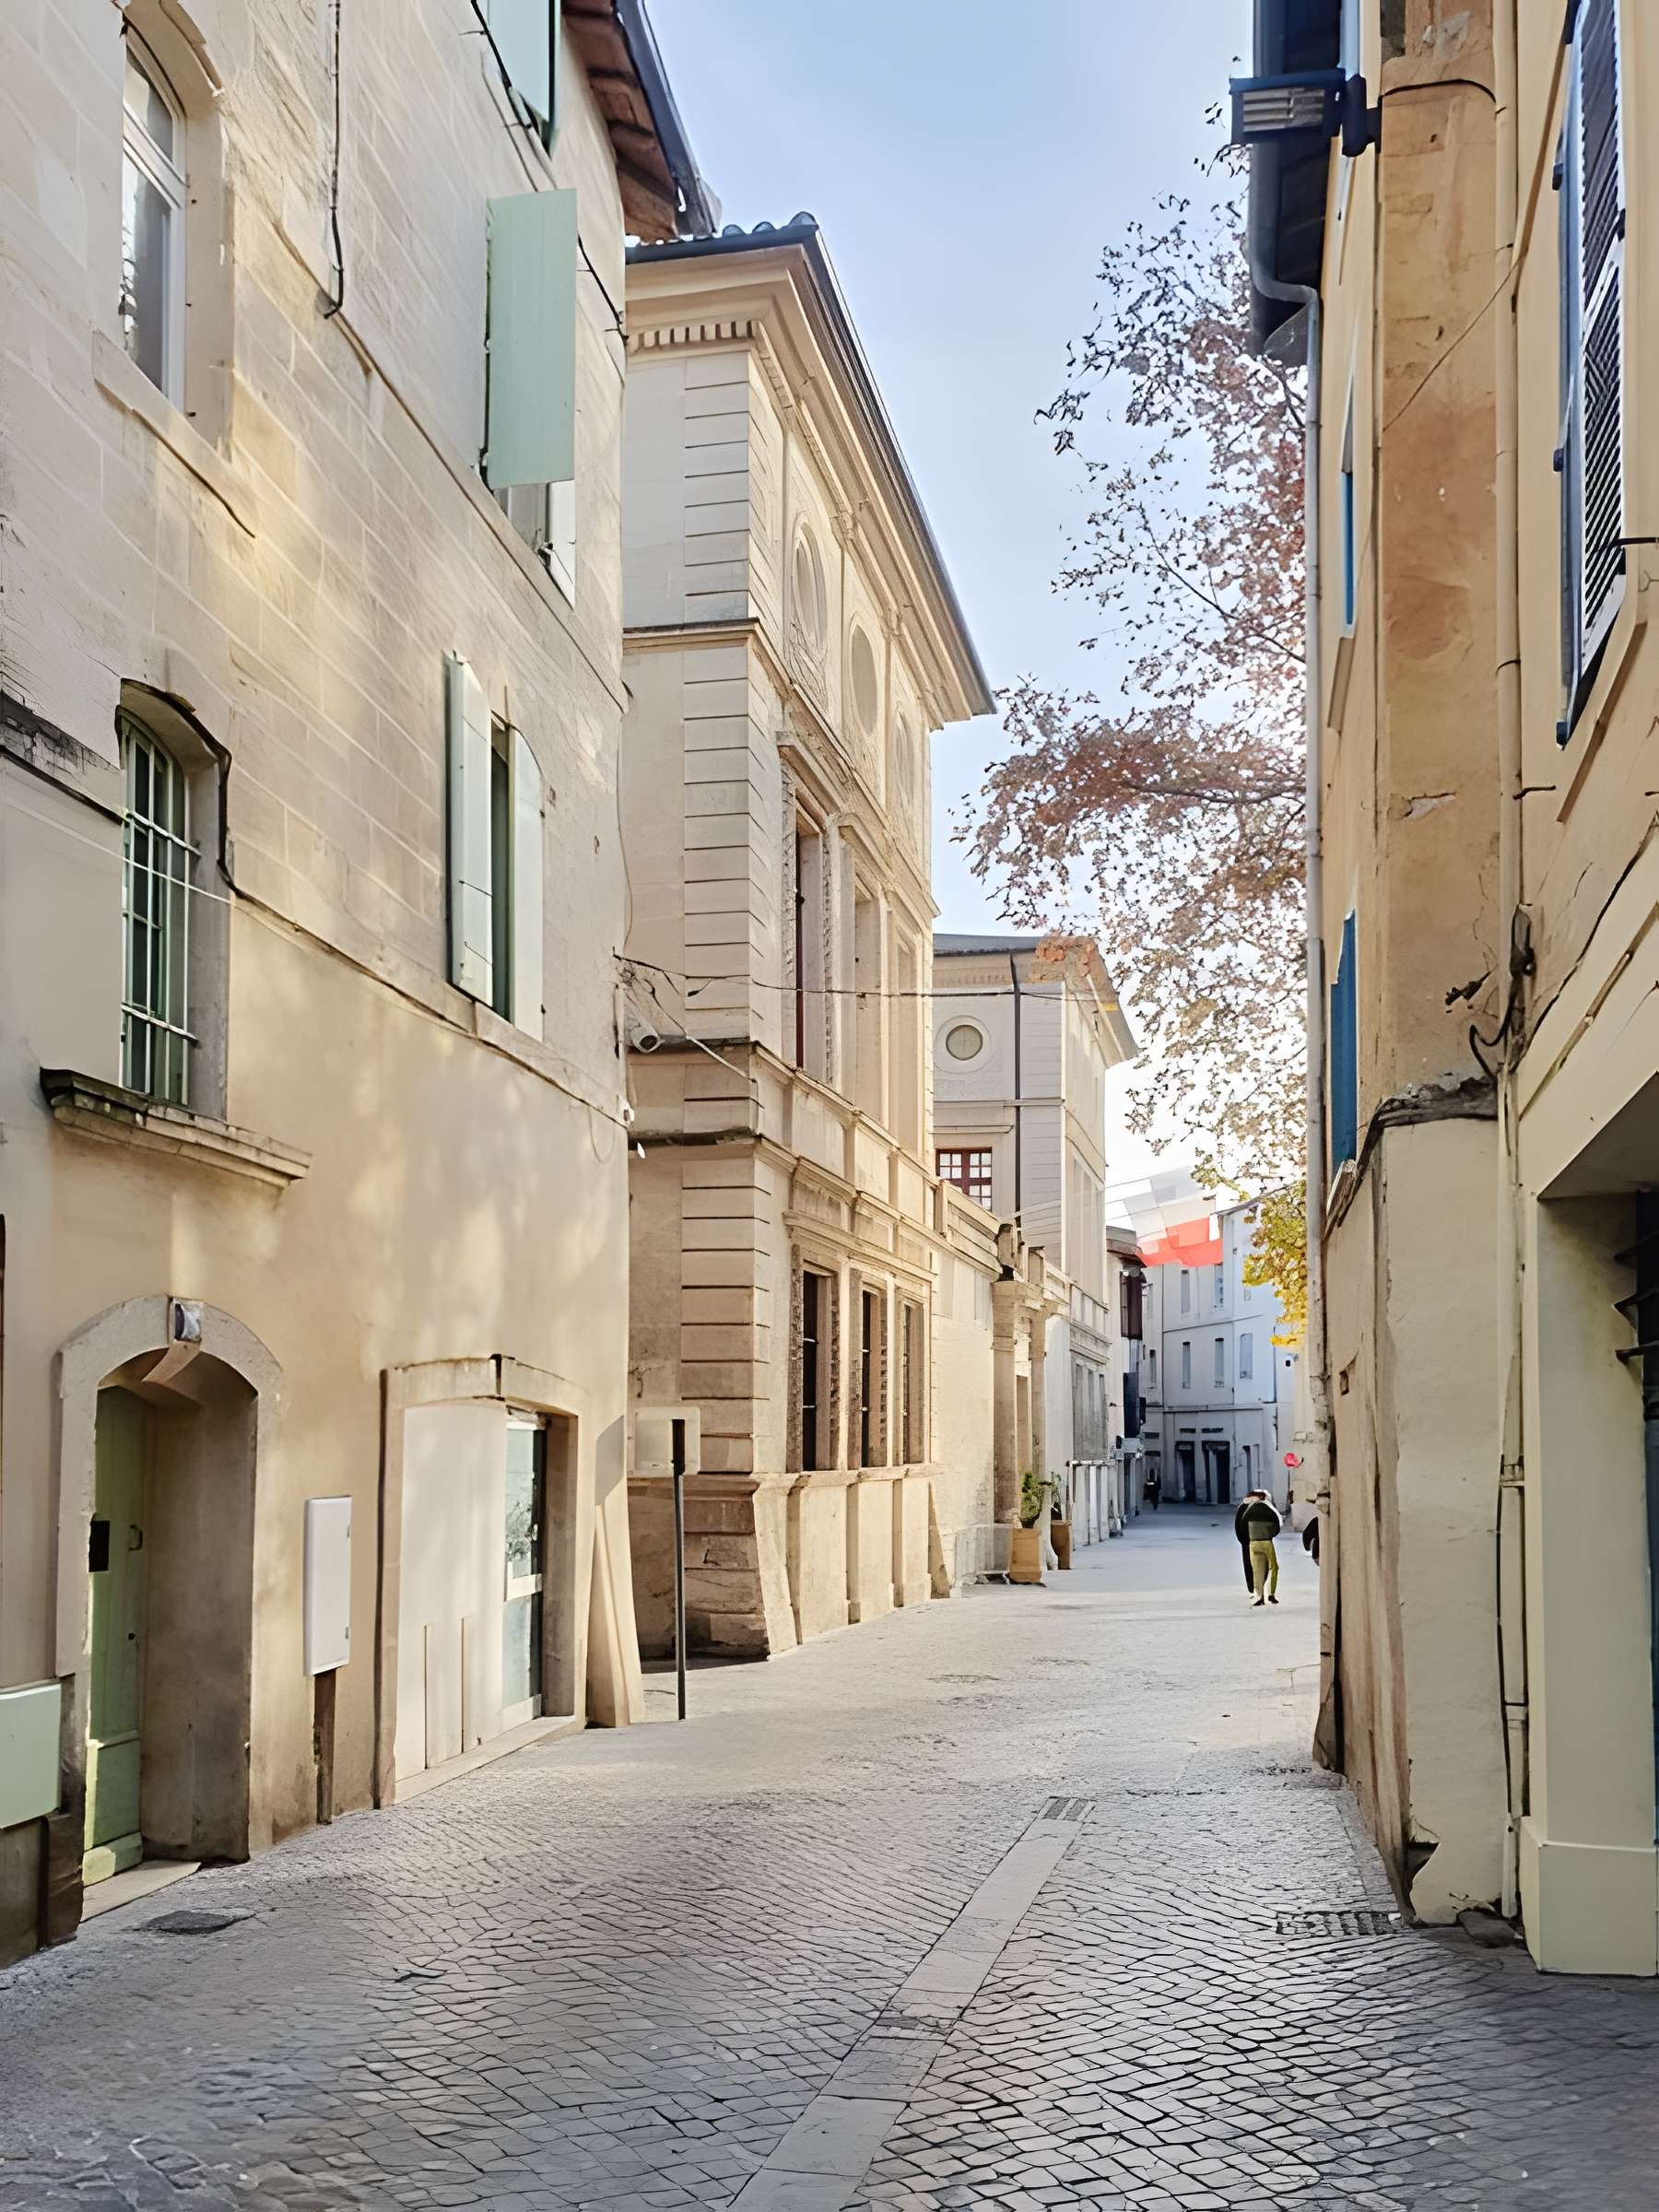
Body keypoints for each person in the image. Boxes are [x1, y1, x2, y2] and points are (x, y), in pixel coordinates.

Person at [1242, 1489, 1282, 1606]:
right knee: (1273, 1568)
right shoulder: (1268, 1509)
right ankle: (1271, 1594)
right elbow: (1276, 1525)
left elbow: (1243, 1524)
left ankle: (1259, 1597)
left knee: (1257, 1571)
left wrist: (1250, 1536)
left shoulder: (1249, 1510)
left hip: (1253, 1543)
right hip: (1266, 1542)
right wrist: (1270, 1534)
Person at [1231, 1493, 1257, 1594]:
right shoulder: (1243, 1508)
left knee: (1249, 1565)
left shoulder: (1243, 1508)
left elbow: (1237, 1525)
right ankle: (1254, 1586)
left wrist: (1242, 1539)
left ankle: (1252, 1587)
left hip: (1248, 1541)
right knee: (1253, 1564)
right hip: (1250, 1541)